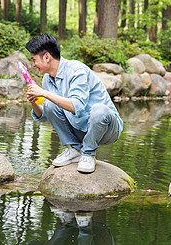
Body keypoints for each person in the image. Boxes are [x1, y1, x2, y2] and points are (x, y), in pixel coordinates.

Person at [24, 35, 123, 173]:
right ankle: (73, 149)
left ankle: (88, 153)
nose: (33, 64)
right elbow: (45, 115)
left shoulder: (76, 70)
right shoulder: (47, 79)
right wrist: (34, 102)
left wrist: (44, 93)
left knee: (99, 110)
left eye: (34, 60)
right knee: (50, 104)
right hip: (79, 127)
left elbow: (77, 107)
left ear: (47, 57)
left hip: (106, 129)